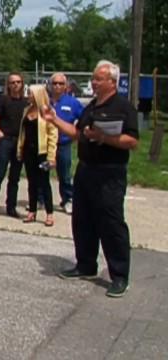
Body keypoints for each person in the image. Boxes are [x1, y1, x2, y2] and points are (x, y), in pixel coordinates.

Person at [46, 60, 139, 298]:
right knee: (83, 219)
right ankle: (86, 264)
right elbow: (78, 134)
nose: (94, 83)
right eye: (94, 78)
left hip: (109, 172)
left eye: (98, 79)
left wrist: (103, 138)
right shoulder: (91, 106)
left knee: (110, 222)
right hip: (86, 170)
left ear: (112, 82)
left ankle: (119, 276)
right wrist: (54, 120)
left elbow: (132, 141)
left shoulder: (123, 107)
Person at [0, 72, 28, 218]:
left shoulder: (26, 102)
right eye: (12, 82)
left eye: (18, 82)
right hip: (5, 141)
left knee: (14, 177)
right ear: (8, 85)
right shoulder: (3, 100)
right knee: (0, 174)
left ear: (22, 84)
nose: (16, 85)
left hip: (20, 143)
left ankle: (11, 207)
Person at [17, 85, 58, 227]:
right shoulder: (26, 110)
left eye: (31, 94)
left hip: (42, 153)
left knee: (44, 183)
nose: (28, 96)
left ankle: (49, 214)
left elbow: (53, 135)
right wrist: (20, 149)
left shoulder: (46, 111)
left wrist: (51, 157)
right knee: (31, 182)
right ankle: (32, 211)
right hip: (29, 151)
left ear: (38, 95)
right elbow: (22, 133)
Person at [49, 72, 84, 214]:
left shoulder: (72, 103)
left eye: (61, 84)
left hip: (63, 144)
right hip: (46, 144)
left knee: (64, 174)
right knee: (41, 172)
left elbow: (84, 119)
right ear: (50, 85)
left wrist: (76, 134)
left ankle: (68, 199)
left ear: (66, 86)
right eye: (55, 83)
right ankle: (39, 199)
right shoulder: (45, 101)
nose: (57, 86)